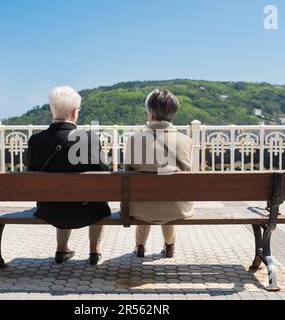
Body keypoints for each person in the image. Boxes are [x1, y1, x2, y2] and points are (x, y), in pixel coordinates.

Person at [26, 86, 111, 266]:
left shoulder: (36, 141)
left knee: (60, 197)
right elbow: (105, 175)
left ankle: (61, 248)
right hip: (88, 211)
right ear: (74, 112)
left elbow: (30, 175)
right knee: (97, 196)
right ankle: (94, 250)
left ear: (52, 110)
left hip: (49, 210)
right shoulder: (89, 139)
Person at [123, 89, 194, 258]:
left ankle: (139, 246)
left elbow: (127, 174)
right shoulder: (186, 142)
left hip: (139, 208)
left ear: (151, 114)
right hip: (176, 208)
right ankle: (170, 246)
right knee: (167, 198)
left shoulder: (134, 141)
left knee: (145, 198)